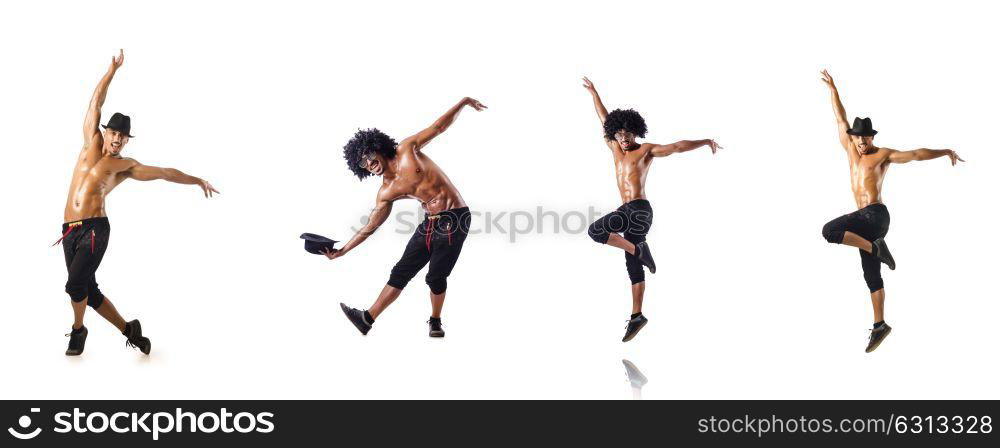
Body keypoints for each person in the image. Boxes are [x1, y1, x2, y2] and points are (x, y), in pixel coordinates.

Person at [59, 50, 220, 356]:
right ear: (106, 132)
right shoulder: (89, 143)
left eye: (123, 136)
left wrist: (197, 179)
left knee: (74, 286)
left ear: (127, 140)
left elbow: (164, 173)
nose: (118, 139)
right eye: (114, 132)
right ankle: (129, 329)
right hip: (69, 229)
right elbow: (96, 101)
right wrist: (112, 70)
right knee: (88, 292)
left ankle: (79, 331)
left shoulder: (125, 166)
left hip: (95, 229)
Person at [819, 69, 964, 353]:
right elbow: (840, 118)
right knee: (871, 277)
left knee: (829, 230)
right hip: (864, 225)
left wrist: (945, 151)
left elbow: (915, 154)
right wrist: (833, 89)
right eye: (858, 139)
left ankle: (875, 248)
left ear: (872, 138)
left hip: (875, 215)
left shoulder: (882, 155)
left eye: (866, 139)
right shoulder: (850, 150)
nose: (862, 143)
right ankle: (879, 325)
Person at [329, 97, 486, 338]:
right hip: (430, 223)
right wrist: (344, 250)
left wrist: (463, 102)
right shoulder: (386, 191)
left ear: (378, 148)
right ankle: (366, 319)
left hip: (456, 217)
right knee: (401, 271)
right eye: (363, 163)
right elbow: (371, 226)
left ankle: (435, 321)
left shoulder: (406, 149)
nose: (370, 164)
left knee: (435, 276)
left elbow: (438, 127)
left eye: (370, 156)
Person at [582, 77, 722, 342]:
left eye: (628, 134)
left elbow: (677, 147)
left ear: (636, 132)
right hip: (627, 209)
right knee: (633, 266)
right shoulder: (614, 147)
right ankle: (637, 316)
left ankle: (639, 249)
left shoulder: (645, 150)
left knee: (595, 230)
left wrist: (705, 141)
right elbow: (603, 118)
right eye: (619, 134)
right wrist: (594, 94)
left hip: (639, 210)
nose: (623, 139)